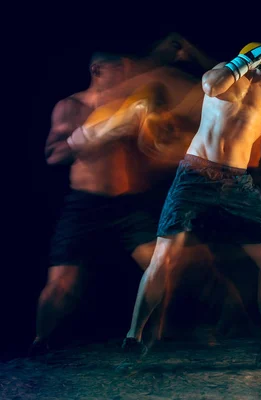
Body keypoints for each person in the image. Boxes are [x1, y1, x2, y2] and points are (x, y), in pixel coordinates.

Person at [121, 42, 261, 365]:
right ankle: (134, 336)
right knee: (164, 258)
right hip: (195, 174)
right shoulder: (224, 75)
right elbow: (211, 85)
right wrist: (251, 58)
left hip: (238, 184)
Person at [30, 52, 172, 356]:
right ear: (98, 70)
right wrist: (93, 136)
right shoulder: (72, 106)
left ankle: (152, 341)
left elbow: (156, 150)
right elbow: (53, 155)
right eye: (119, 69)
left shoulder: (134, 105)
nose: (127, 75)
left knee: (160, 268)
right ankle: (40, 342)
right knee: (62, 284)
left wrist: (153, 133)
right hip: (85, 206)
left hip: (129, 206)